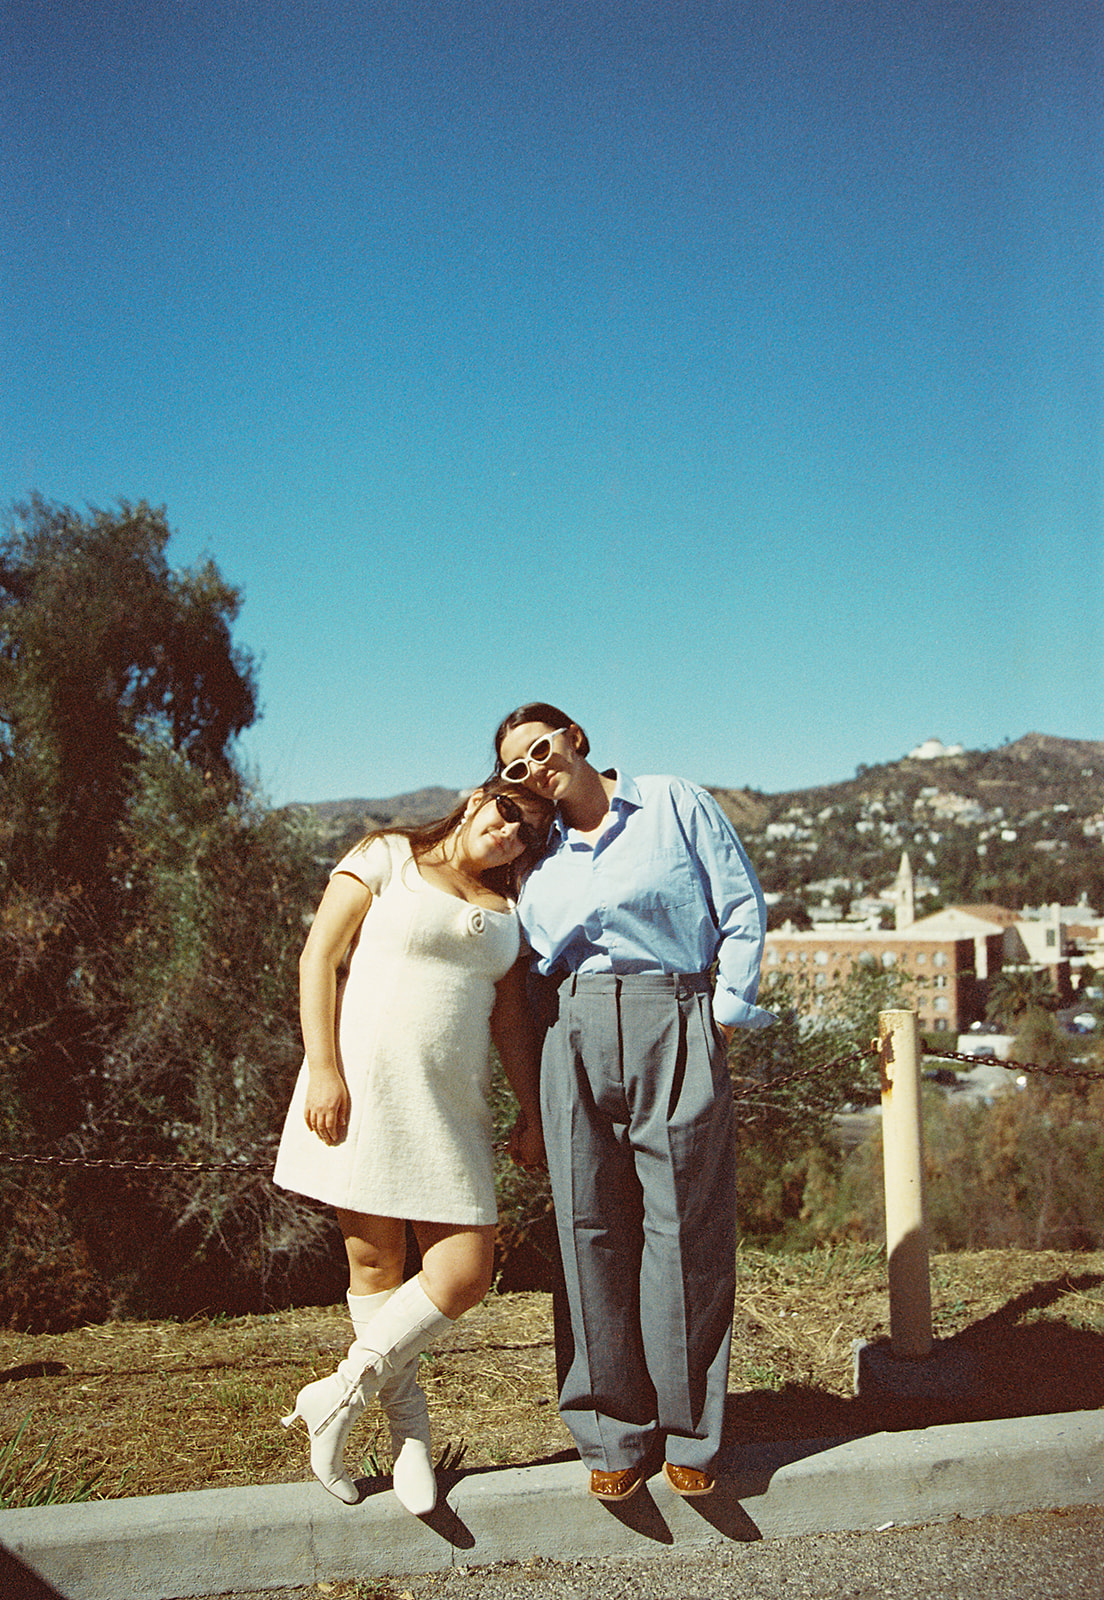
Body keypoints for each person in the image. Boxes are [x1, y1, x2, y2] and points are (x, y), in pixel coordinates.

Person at [492, 703, 774, 1502]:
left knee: (684, 1226)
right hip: (570, 1028)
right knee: (588, 1229)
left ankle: (690, 1432)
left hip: (672, 1012)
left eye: (541, 751)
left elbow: (742, 906)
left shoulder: (671, 802)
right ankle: (611, 1431)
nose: (535, 769)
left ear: (575, 738)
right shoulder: (533, 853)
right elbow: (518, 960)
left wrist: (721, 1017)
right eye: (517, 767)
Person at [273, 778, 554, 1511]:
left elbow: (512, 1026)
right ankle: (411, 1442)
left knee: (464, 1271)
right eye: (510, 811)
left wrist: (531, 1110)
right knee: (375, 1265)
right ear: (477, 797)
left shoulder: (508, 914)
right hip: (362, 1092)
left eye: (531, 833)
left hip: (450, 1111)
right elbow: (318, 959)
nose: (512, 832)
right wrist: (324, 1071)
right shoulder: (385, 855)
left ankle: (332, 1398)